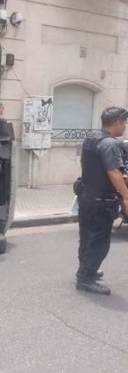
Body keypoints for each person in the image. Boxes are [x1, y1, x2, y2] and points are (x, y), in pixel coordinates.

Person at [76, 106, 128, 295]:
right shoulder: (110, 144)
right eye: (125, 123)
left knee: (86, 237)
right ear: (118, 123)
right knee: (99, 241)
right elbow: (114, 172)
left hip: (86, 196)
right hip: (100, 201)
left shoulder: (91, 137)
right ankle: (86, 279)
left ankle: (85, 271)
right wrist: (126, 196)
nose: (126, 127)